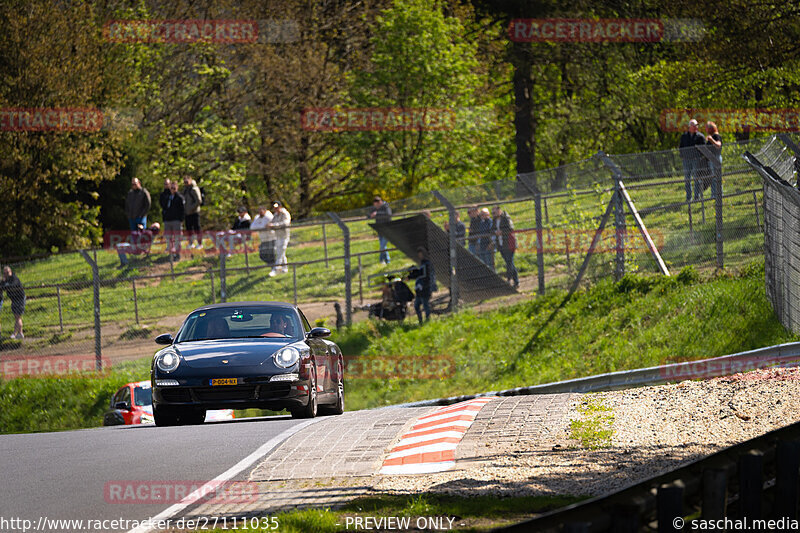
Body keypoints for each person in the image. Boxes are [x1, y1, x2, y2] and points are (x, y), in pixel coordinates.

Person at [679, 119, 707, 202]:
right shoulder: (684, 136)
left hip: (696, 160)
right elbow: (681, 147)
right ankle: (689, 197)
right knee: (687, 179)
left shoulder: (700, 136)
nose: (696, 127)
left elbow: (704, 149)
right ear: (689, 127)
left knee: (696, 178)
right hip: (686, 160)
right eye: (694, 125)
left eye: (697, 125)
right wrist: (683, 156)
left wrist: (699, 157)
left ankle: (697, 197)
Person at [407, 248, 435, 324]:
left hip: (425, 288)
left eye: (421, 254)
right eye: (419, 255)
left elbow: (422, 273)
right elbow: (419, 273)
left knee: (425, 305)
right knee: (416, 306)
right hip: (420, 291)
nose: (420, 256)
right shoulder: (422, 264)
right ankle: (420, 321)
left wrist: (412, 275)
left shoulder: (427, 264)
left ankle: (427, 320)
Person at [492, 206, 519, 288]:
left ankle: (510, 279)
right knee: (509, 262)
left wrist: (502, 232)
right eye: (492, 213)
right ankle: (515, 281)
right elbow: (492, 229)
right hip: (501, 244)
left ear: (499, 211)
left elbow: (510, 228)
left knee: (509, 261)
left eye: (494, 212)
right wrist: (495, 232)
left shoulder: (506, 218)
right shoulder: (494, 220)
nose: (493, 214)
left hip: (508, 243)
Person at [0, 266, 25, 339]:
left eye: (7, 272)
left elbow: (13, 286)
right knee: (17, 317)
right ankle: (20, 333)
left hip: (19, 299)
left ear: (10, 272)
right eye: (4, 273)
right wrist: (4, 282)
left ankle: (15, 333)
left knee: (18, 317)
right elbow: (2, 287)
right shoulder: (5, 280)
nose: (6, 274)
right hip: (13, 300)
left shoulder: (14, 278)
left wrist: (6, 285)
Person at [162, 180, 184, 261]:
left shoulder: (180, 198)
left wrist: (181, 220)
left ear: (177, 188)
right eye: (171, 188)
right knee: (168, 238)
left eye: (174, 188)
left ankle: (177, 254)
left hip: (176, 220)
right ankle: (171, 254)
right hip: (168, 220)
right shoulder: (167, 197)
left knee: (177, 238)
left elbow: (182, 210)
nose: (173, 190)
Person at [268, 201, 291, 277]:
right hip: (278, 236)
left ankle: (276, 269)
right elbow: (272, 222)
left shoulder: (285, 213)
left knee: (280, 251)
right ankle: (285, 268)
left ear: (280, 207)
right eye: (274, 208)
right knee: (280, 252)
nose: (276, 209)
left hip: (284, 236)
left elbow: (286, 223)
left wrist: (274, 225)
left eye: (277, 207)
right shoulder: (275, 215)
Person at [368, 196, 392, 264]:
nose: (376, 207)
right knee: (383, 246)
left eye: (377, 205)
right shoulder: (375, 208)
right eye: (375, 206)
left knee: (382, 246)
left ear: (380, 202)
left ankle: (381, 260)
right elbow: (368, 215)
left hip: (387, 229)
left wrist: (377, 213)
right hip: (379, 229)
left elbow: (389, 214)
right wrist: (371, 215)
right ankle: (387, 261)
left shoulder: (386, 206)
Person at [181, 176, 203, 249]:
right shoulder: (185, 190)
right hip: (187, 213)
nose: (186, 182)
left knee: (197, 228)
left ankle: (200, 243)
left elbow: (199, 201)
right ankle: (191, 243)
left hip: (194, 212)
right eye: (184, 181)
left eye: (187, 181)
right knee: (189, 229)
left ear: (190, 180)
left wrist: (191, 208)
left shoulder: (194, 189)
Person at [705, 121, 723, 199]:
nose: (705, 129)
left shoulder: (716, 136)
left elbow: (718, 145)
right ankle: (713, 194)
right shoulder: (711, 136)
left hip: (716, 158)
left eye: (706, 128)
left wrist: (711, 140)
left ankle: (719, 194)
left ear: (710, 128)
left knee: (717, 177)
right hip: (711, 158)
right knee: (713, 177)